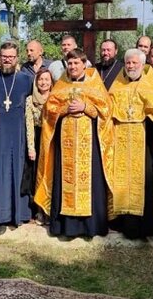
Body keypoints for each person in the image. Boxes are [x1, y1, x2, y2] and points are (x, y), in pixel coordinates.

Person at [35, 48, 113, 238]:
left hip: (89, 144)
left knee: (91, 181)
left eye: (76, 63)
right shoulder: (61, 84)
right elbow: (49, 110)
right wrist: (64, 109)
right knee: (64, 180)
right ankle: (66, 227)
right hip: (66, 145)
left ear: (84, 64)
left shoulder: (95, 84)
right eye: (70, 63)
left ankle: (90, 227)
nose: (73, 66)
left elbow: (106, 110)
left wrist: (86, 107)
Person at [108, 49, 153, 239]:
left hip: (144, 141)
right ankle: (120, 222)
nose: (131, 66)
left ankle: (143, 226)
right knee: (120, 181)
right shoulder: (116, 85)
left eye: (134, 63)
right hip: (120, 140)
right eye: (128, 63)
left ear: (143, 65)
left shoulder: (151, 85)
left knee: (143, 183)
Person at [0, 41, 33, 234]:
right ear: (0, 58)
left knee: (18, 172)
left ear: (17, 57)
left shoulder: (26, 79)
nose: (8, 60)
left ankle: (20, 214)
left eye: (11, 56)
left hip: (18, 133)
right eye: (4, 57)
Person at [24, 68, 53, 221]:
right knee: (36, 175)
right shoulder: (30, 100)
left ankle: (50, 209)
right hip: (36, 137)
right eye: (40, 79)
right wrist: (31, 148)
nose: (43, 82)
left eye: (47, 79)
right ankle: (38, 210)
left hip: (51, 139)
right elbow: (29, 124)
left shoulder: (55, 98)